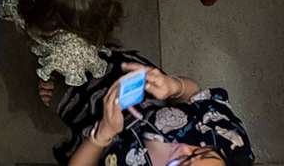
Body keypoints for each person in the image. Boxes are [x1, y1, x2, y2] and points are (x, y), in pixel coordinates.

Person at [55, 55, 255, 166]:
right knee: (89, 47)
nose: (184, 148)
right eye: (201, 152)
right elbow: (195, 94)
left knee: (56, 85)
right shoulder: (232, 143)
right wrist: (174, 87)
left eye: (182, 163)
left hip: (86, 116)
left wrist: (103, 135)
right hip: (132, 81)